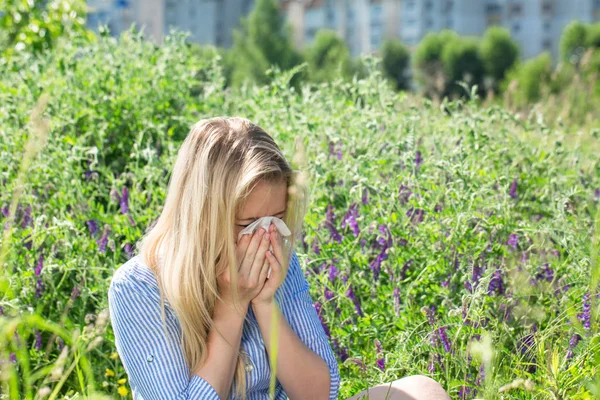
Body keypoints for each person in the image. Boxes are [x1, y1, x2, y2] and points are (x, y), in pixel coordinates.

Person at [107, 117, 450, 400]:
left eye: (276, 219)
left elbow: (320, 394)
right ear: (203, 218)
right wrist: (232, 307)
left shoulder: (277, 255)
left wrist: (266, 303)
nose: (266, 237)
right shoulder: (138, 287)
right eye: (248, 224)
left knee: (422, 390)